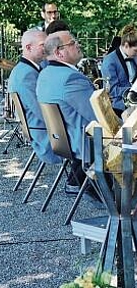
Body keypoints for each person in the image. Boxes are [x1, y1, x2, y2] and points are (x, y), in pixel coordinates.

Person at [36, 31, 97, 192]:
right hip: (84, 144)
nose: (78, 44)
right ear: (58, 52)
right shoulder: (71, 78)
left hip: (61, 142)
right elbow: (98, 116)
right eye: (72, 43)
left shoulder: (44, 74)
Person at [8, 29, 62, 165]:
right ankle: (77, 183)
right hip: (46, 139)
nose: (47, 48)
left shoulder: (23, 70)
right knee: (93, 140)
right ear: (28, 47)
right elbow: (43, 113)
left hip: (40, 132)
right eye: (43, 45)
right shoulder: (26, 74)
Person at [101, 24, 137, 117]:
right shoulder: (109, 61)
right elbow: (112, 90)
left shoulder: (134, 56)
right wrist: (134, 90)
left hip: (135, 102)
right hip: (118, 107)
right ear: (126, 45)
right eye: (136, 50)